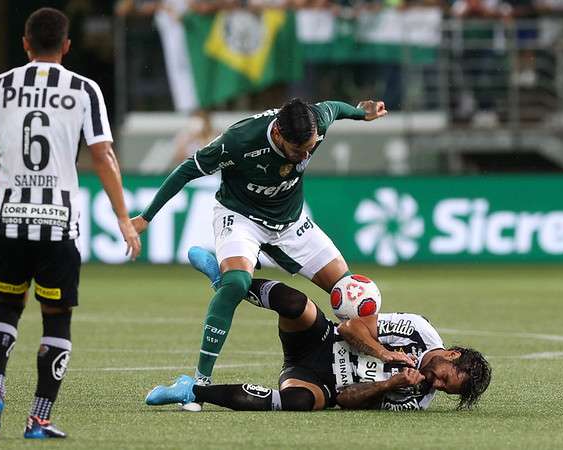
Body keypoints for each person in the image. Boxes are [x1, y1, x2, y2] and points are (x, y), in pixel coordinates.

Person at [0, 7, 140, 439]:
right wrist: (123, 218)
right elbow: (103, 155)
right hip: (57, 228)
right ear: (67, 46)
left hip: (8, 223)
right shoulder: (84, 89)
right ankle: (38, 419)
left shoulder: (1, 86)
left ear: (25, 43)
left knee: (7, 307)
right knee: (56, 318)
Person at [131, 97, 409, 410]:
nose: (305, 155)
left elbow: (336, 107)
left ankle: (383, 365)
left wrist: (362, 114)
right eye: (298, 150)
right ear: (277, 134)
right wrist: (144, 218)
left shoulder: (315, 120)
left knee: (351, 295)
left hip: (292, 224)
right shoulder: (239, 141)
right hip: (241, 217)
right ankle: (198, 383)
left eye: (310, 146)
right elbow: (185, 171)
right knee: (235, 284)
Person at [146, 277, 492, 411]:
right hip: (325, 341)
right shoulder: (416, 330)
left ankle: (191, 392)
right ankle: (230, 281)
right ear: (452, 354)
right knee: (296, 305)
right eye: (447, 377)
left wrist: (390, 383)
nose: (439, 385)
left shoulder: (415, 400)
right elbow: (350, 328)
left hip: (323, 382)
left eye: (446, 390)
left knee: (297, 401)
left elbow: (344, 399)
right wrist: (386, 353)